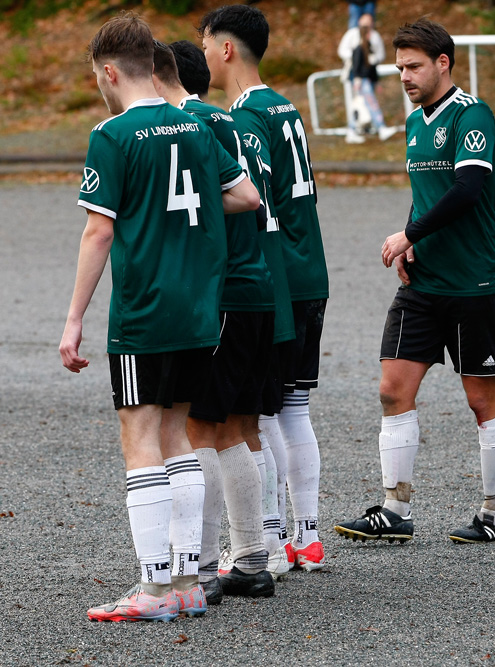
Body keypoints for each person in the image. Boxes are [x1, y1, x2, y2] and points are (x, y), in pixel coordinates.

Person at [59, 14, 260, 623]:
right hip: (200, 311)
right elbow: (246, 196)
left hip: (144, 311)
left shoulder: (113, 135)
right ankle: (188, 581)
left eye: (99, 77)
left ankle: (152, 590)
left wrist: (73, 321)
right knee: (179, 438)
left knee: (141, 439)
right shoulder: (197, 126)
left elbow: (99, 232)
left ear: (111, 72)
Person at [333, 18, 495, 546]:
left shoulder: (472, 114)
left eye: (413, 67)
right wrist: (413, 239)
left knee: (482, 399)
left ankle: (494, 512)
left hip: (475, 282)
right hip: (424, 282)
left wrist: (408, 230)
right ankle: (395, 508)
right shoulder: (416, 122)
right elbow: (427, 192)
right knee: (393, 390)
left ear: (443, 63)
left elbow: (467, 189)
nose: (405, 77)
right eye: (399, 69)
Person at [199, 4, 330, 573]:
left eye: (205, 44)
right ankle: (306, 535)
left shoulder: (246, 116)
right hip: (309, 267)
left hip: (275, 273)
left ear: (226, 49)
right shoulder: (286, 106)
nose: (202, 54)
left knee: (262, 415)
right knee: (292, 408)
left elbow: (257, 205)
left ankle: (269, 543)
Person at [154, 39, 277, 602]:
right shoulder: (230, 119)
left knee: (197, 428)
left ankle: (203, 566)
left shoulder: (185, 125)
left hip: (224, 292)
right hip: (256, 287)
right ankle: (252, 556)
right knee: (236, 428)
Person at [338, 13, 396, 143]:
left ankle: (353, 130)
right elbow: (355, 63)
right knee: (368, 103)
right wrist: (358, 78)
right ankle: (380, 127)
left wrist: (375, 79)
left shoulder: (372, 40)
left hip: (366, 78)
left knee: (361, 104)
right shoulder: (357, 45)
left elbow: (376, 58)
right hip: (360, 79)